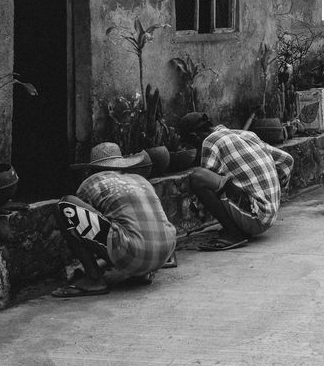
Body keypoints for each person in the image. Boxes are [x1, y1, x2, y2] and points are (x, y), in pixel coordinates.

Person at [53, 142, 177, 298]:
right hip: (165, 253)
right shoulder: (140, 179)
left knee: (65, 204)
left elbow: (85, 227)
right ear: (121, 164)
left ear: (93, 168)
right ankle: (143, 273)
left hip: (135, 253)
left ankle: (94, 278)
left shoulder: (91, 182)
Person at [179, 112, 294, 251]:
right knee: (224, 180)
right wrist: (276, 192)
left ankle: (234, 234)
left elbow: (206, 180)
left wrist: (198, 210)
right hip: (269, 216)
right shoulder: (246, 135)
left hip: (255, 218)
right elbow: (287, 160)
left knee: (198, 177)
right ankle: (240, 226)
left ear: (194, 137)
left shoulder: (210, 141)